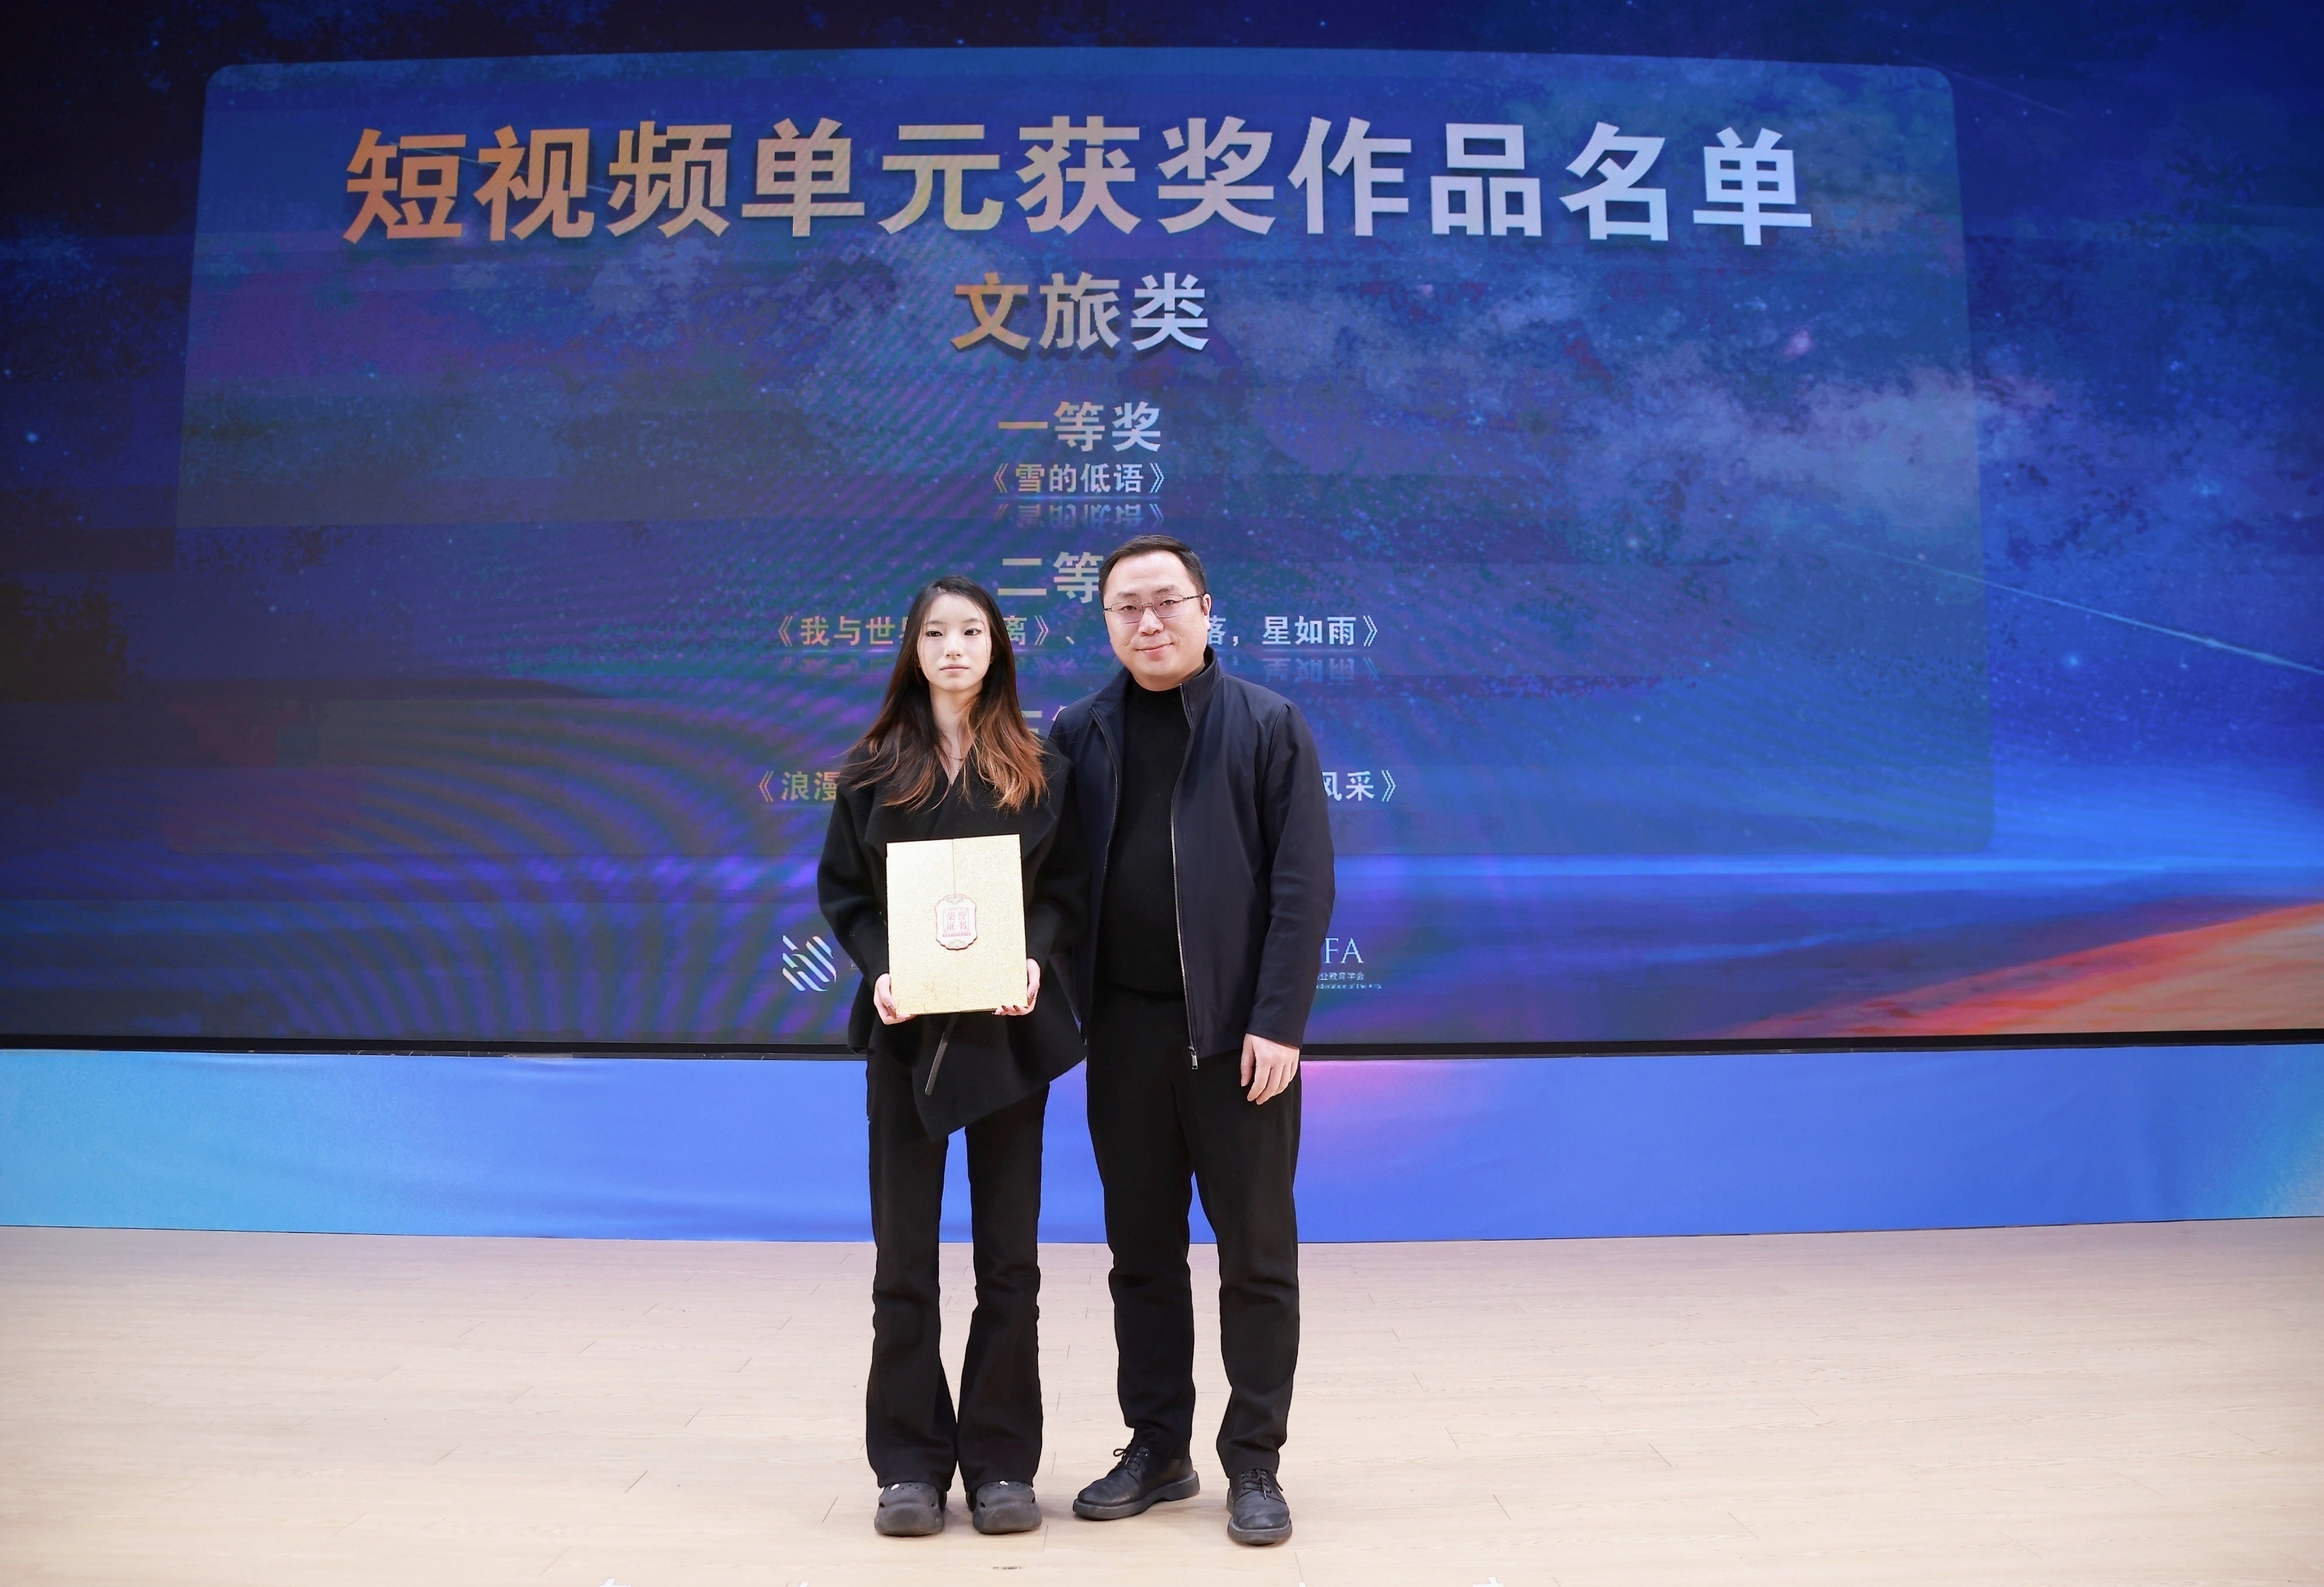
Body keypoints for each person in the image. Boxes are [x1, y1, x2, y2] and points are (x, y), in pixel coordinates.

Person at [1047, 534, 1335, 1548]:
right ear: (1106, 624)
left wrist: (1277, 1022)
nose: (1149, 622)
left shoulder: (1267, 724)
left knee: (1256, 1256)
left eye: (1166, 601)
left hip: (1238, 1039)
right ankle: (1157, 1447)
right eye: (1126, 607)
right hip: (1123, 1032)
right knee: (1140, 1255)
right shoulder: (1077, 732)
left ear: (1207, 610)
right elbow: (1051, 883)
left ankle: (1253, 1460)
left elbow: (1302, 887)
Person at [817, 574, 1086, 1539]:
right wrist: (883, 969)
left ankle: (1003, 1462)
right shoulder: (870, 769)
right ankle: (909, 1466)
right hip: (906, 1038)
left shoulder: (1040, 765)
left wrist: (1033, 955)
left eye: (972, 631)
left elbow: (1065, 894)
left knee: (1010, 1263)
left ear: (997, 646)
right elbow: (846, 897)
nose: (954, 648)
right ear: (913, 650)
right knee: (904, 1263)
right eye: (935, 632)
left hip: (1008, 1036)